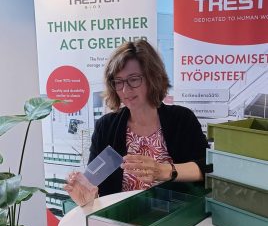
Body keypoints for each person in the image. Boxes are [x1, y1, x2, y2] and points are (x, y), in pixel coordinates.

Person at [64, 39, 209, 210]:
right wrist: (88, 198)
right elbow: (95, 184)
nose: (125, 90)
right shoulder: (106, 126)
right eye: (118, 82)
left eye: (133, 79)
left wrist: (164, 171)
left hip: (174, 219)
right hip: (121, 220)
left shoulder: (181, 118)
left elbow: (206, 167)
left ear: (152, 77)